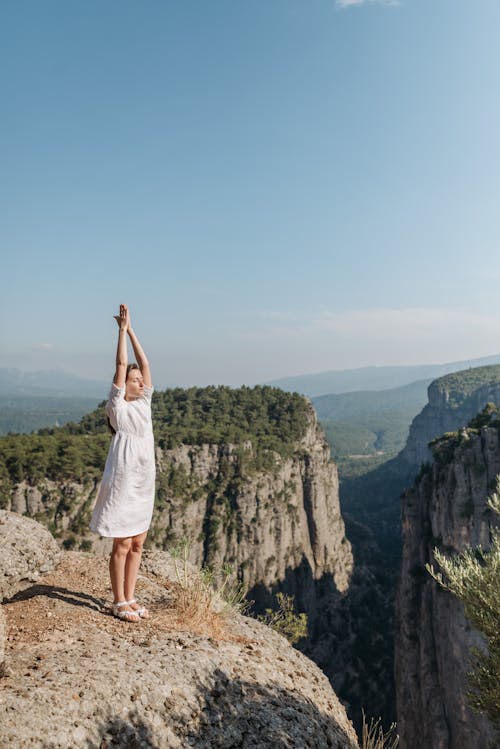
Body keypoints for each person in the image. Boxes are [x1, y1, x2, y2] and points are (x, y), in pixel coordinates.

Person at [90, 304, 156, 622]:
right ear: (123, 384)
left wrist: (133, 330)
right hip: (123, 480)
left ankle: (130, 597)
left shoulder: (145, 402)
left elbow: (145, 362)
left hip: (144, 480)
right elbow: (122, 362)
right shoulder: (117, 406)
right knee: (123, 541)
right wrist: (121, 331)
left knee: (138, 543)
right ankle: (118, 601)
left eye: (141, 379)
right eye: (133, 379)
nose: (139, 381)